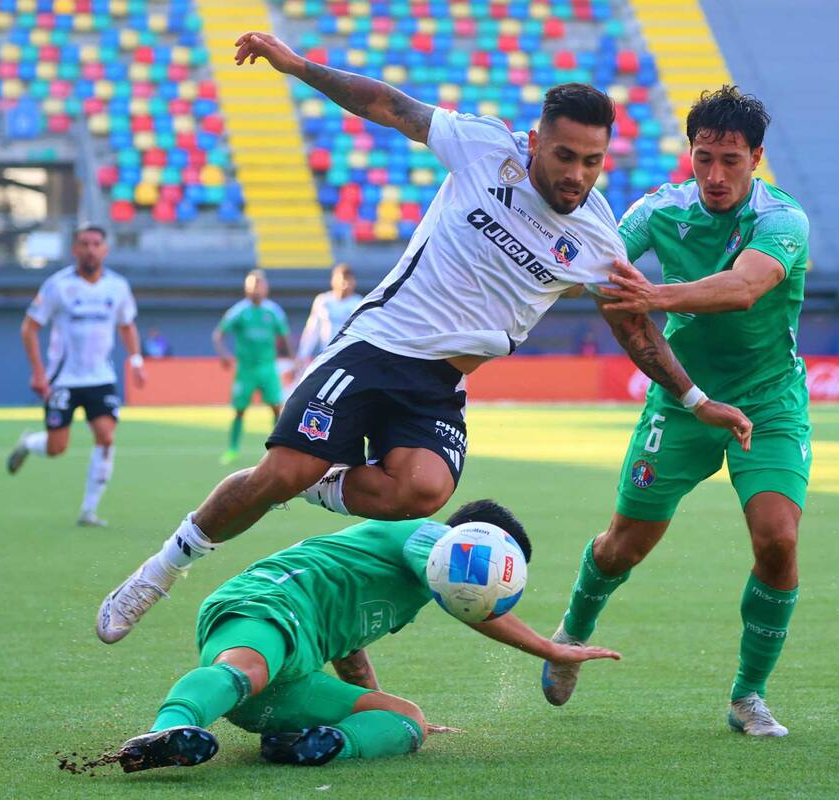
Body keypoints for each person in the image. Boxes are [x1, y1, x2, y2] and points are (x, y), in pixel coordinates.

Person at [95, 31, 752, 645]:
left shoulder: (597, 243)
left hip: (441, 381)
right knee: (281, 470)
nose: (577, 175)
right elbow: (386, 104)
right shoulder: (482, 147)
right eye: (564, 156)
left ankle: (313, 481)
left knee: (423, 491)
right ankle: (161, 568)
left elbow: (635, 333)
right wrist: (296, 67)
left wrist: (696, 400)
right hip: (377, 346)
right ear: (534, 143)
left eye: (592, 162)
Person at [542, 86, 811, 738]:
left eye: (731, 161)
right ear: (689, 154)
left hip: (769, 401)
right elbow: (601, 261)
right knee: (622, 547)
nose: (715, 175)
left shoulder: (783, 219)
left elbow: (746, 287)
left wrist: (654, 296)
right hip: (682, 398)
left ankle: (748, 696)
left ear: (756, 160)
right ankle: (572, 633)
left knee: (778, 539)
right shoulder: (659, 209)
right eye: (703, 159)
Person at [105, 499, 619, 772]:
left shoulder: (419, 589)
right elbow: (465, 582)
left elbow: (349, 648)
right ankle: (163, 733)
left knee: (407, 720)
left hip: (292, 673)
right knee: (248, 668)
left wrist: (374, 705)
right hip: (268, 602)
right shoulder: (427, 536)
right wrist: (551, 649)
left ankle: (308, 747)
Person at [5, 225, 146, 527]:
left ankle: (88, 511)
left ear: (105, 249)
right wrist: (38, 373)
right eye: (84, 244)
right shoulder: (57, 286)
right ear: (75, 249)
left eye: (96, 243)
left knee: (106, 436)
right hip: (63, 380)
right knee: (57, 447)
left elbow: (127, 325)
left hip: (101, 378)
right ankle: (29, 443)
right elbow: (29, 328)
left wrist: (136, 360)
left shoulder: (118, 287)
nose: (90, 249)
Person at [212, 269, 293, 464]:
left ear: (266, 288)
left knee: (276, 408)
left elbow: (285, 336)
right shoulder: (238, 311)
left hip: (267, 368)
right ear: (246, 288)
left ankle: (277, 450)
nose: (256, 289)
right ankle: (232, 449)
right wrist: (223, 354)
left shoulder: (273, 311)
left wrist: (294, 359)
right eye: (252, 285)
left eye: (259, 285)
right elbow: (218, 334)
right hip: (246, 370)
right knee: (239, 410)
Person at [294, 263, 363, 376]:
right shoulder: (323, 300)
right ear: (333, 280)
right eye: (341, 279)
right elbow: (312, 330)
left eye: (348, 279)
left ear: (353, 282)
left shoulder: (358, 302)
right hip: (326, 354)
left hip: (347, 356)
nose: (344, 283)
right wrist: (302, 354)